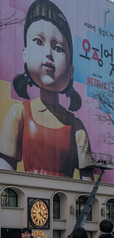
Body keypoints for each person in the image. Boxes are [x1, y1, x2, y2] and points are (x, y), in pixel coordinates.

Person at [0, 0, 93, 179]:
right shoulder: (18, 114)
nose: (49, 53)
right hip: (26, 197)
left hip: (66, 200)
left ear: (71, 69)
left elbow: (87, 183)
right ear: (25, 54)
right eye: (38, 41)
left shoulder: (76, 127)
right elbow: (5, 174)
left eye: (58, 48)